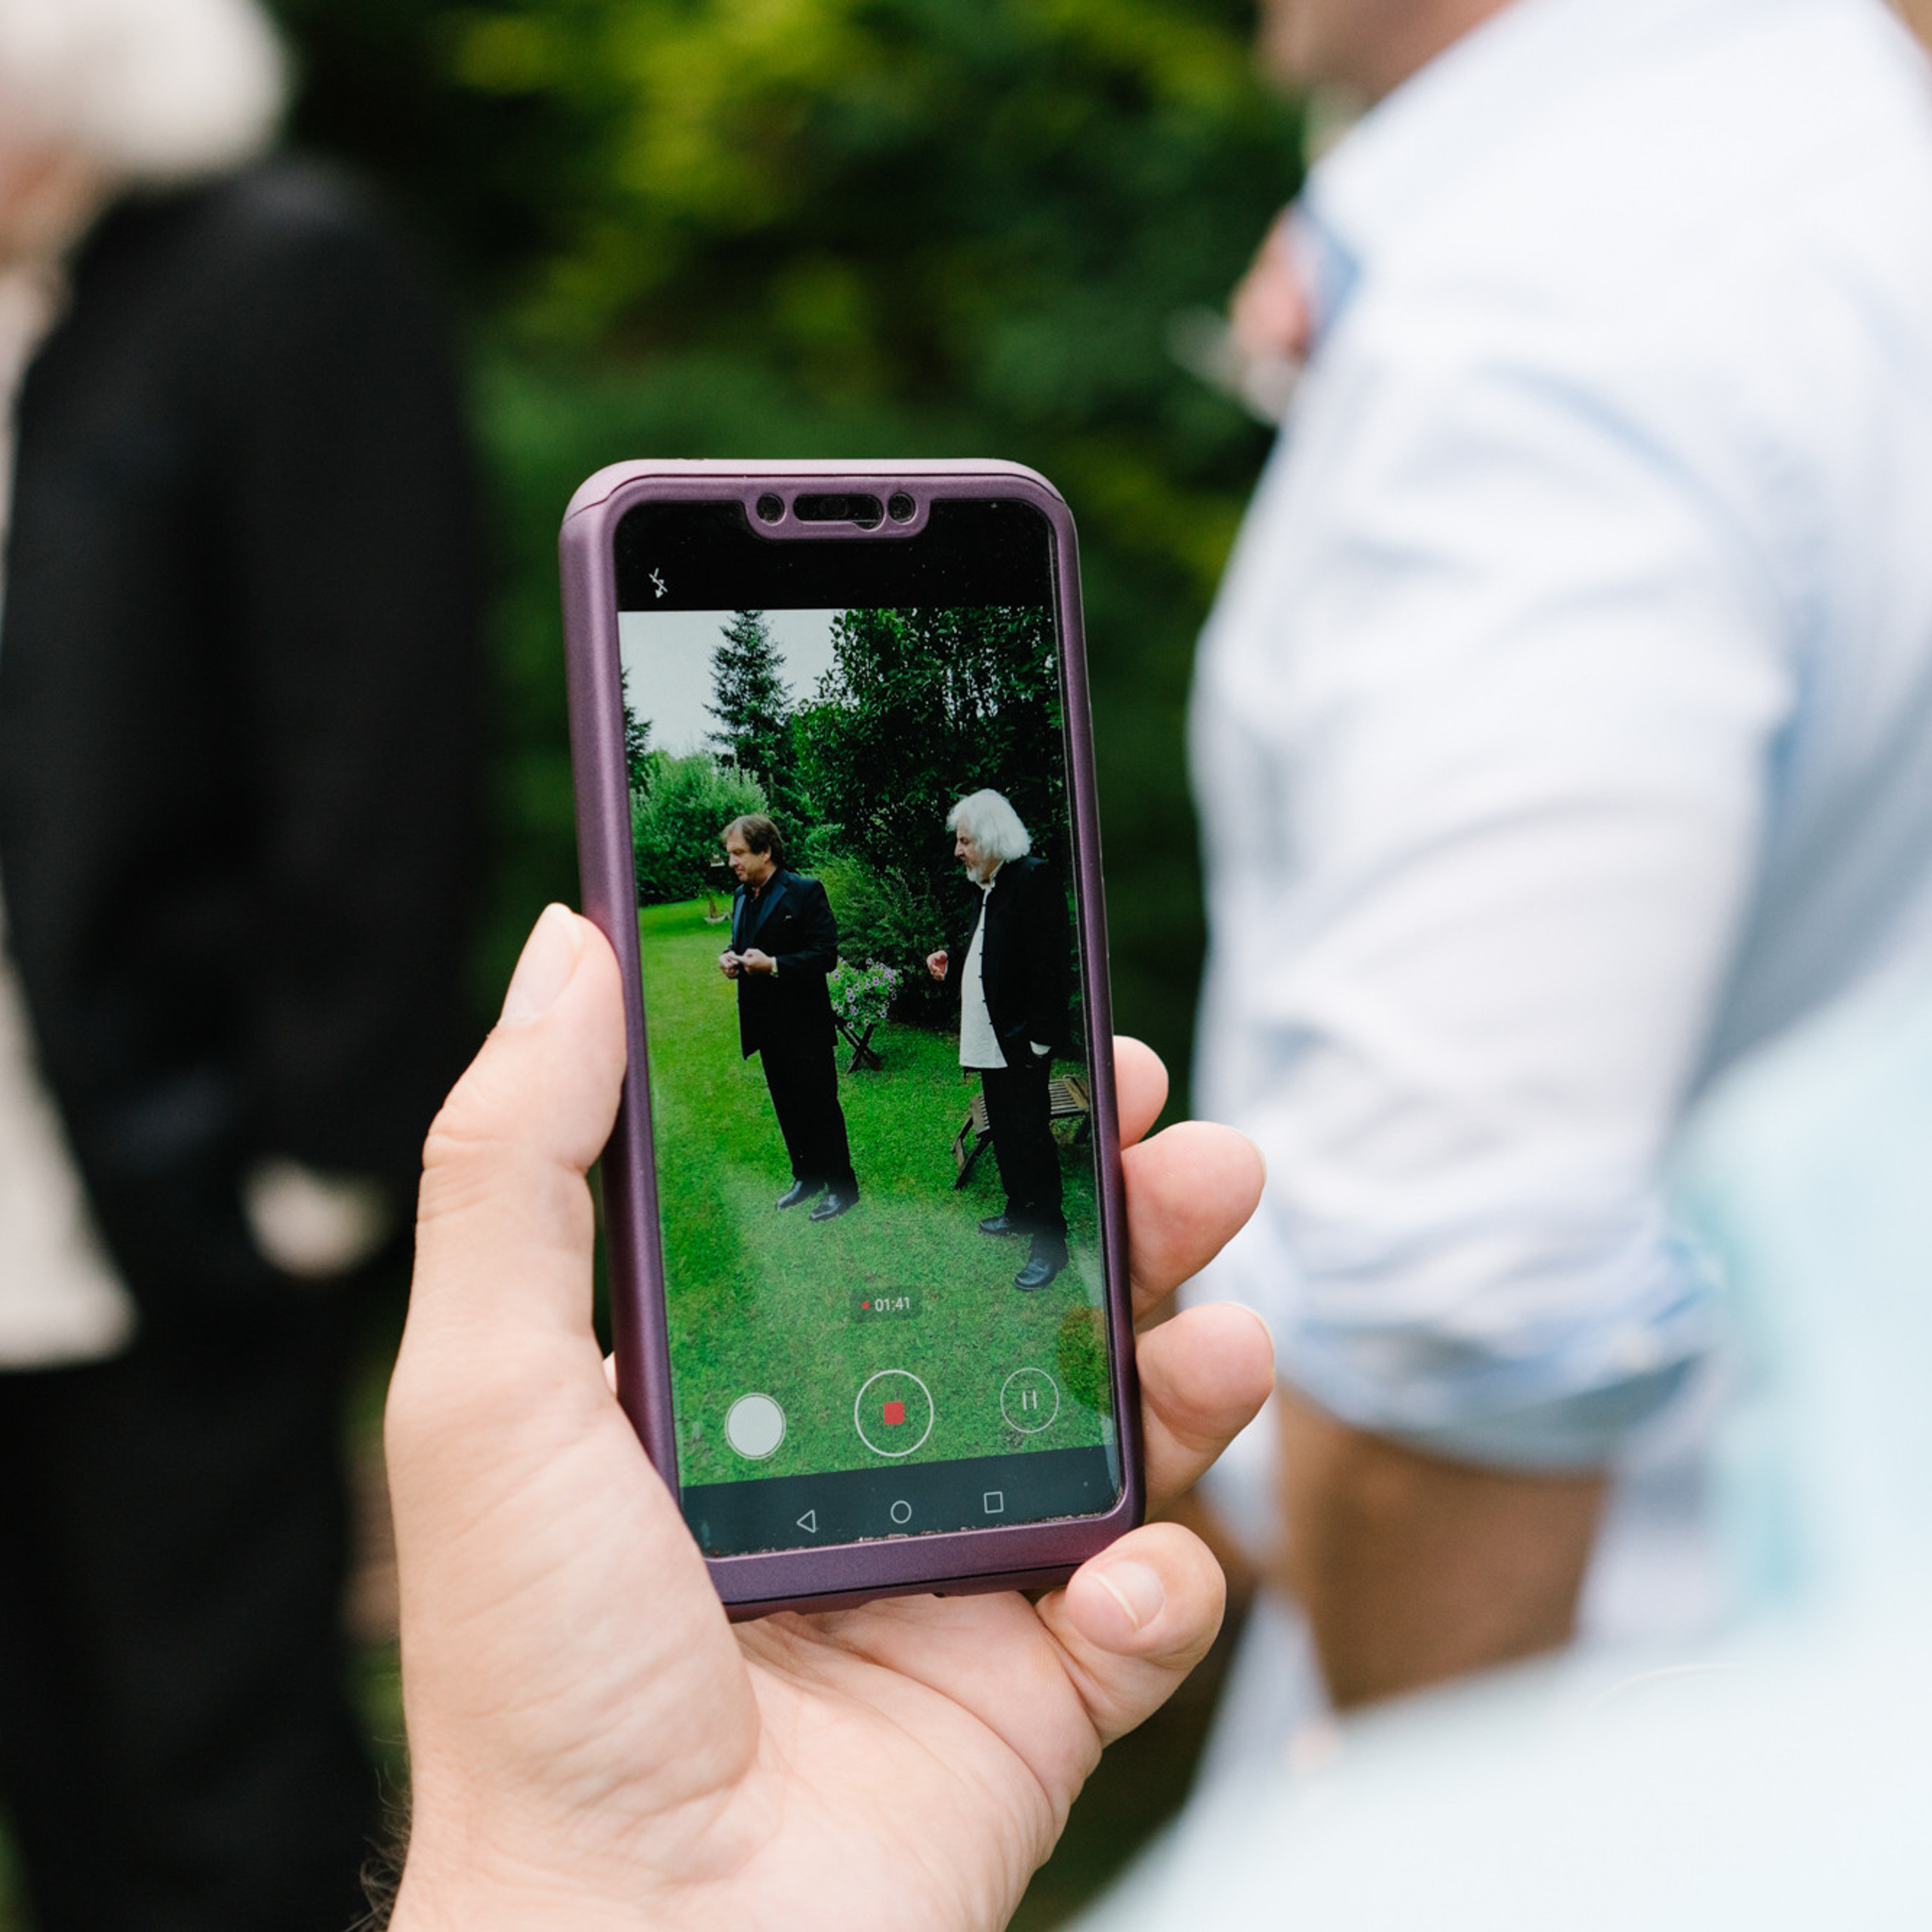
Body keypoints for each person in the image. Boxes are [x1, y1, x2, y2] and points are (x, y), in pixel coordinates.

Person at [1183, 0, 1932, 1733]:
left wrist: (1412, 1843)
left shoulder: (1564, 315)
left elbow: (1464, 1292)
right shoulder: (1843, 173)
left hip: (1607, 1742)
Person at [0, 0, 481, 1924]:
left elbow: (373, 731)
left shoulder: (286, 273)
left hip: (177, 1183)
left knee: (229, 1776)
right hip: (13, 1205)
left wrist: (317, 1157)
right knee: (59, 1777)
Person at [382, 904, 1275, 1931]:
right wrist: (586, 1878)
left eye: (746, 858)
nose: (738, 872)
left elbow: (820, 955)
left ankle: (838, 1182)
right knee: (804, 1117)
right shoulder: (788, 891)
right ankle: (815, 1181)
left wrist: (580, 1887)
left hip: (818, 1021)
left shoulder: (814, 890)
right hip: (782, 1033)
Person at [925, 789, 1072, 1291]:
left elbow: (1051, 970)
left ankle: (1051, 1244)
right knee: (1006, 1132)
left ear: (990, 839)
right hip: (990, 1041)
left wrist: (1040, 1042)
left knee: (1031, 1136)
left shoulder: (1033, 877)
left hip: (1019, 1044)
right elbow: (991, 953)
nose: (958, 851)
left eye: (965, 840)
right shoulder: (985, 886)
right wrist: (952, 961)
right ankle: (1018, 1209)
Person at [719, 813, 859, 1220]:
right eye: (730, 854)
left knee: (819, 1106)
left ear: (766, 850)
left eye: (739, 853)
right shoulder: (742, 896)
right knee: (788, 1106)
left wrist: (775, 964)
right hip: (765, 1026)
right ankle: (807, 1177)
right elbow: (740, 943)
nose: (733, 862)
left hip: (805, 1025)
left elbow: (825, 956)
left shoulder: (804, 891)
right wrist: (730, 958)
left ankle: (842, 1188)